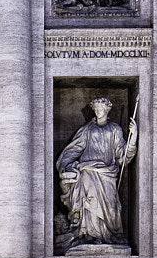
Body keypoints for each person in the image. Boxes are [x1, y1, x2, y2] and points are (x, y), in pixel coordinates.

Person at [56, 97, 138, 247]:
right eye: (96, 109)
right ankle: (89, 234)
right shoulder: (88, 129)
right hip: (88, 171)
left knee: (111, 207)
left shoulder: (115, 129)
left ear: (107, 110)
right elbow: (75, 148)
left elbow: (123, 155)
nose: (98, 112)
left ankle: (108, 235)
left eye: (101, 109)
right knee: (89, 203)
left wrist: (133, 138)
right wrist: (64, 164)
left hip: (107, 174)